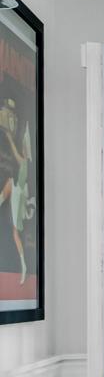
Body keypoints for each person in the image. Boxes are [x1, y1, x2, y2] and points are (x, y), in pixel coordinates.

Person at [0, 97, 29, 284]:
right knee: (15, 232)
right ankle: (24, 265)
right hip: (20, 190)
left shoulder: (24, 164)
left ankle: (24, 265)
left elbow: (20, 159)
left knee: (15, 231)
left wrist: (10, 139)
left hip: (19, 189)